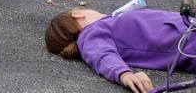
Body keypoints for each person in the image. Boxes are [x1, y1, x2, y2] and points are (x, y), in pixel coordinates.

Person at [45, 6, 196, 92]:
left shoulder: (108, 23)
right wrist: (123, 74)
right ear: (78, 14)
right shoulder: (90, 34)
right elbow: (102, 54)